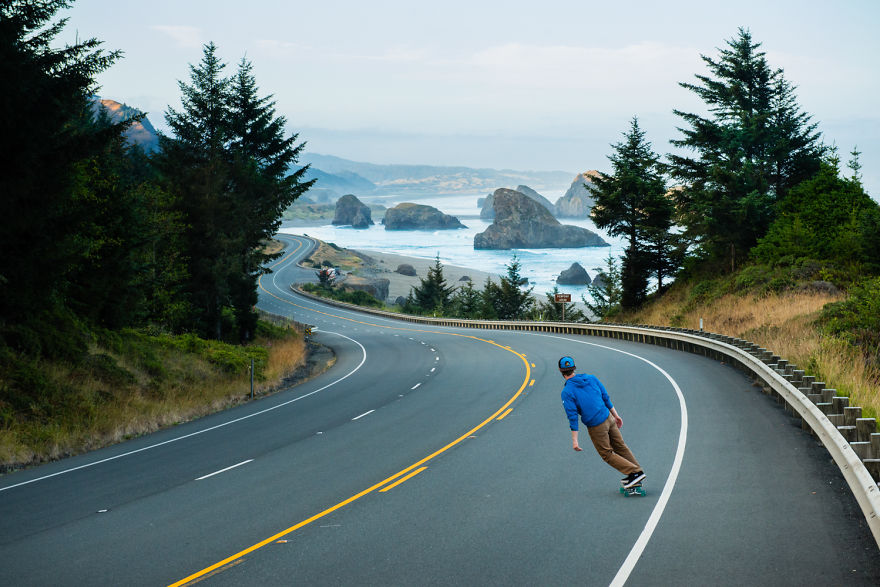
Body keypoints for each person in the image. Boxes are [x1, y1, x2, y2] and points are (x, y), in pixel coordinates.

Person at [558, 355, 645, 489]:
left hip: (596, 425)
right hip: (608, 417)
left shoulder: (567, 391)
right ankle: (637, 472)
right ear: (574, 368)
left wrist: (575, 441)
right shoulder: (591, 378)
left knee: (606, 454)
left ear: (560, 371)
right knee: (620, 446)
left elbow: (572, 416)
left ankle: (634, 473)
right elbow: (605, 397)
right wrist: (616, 415)